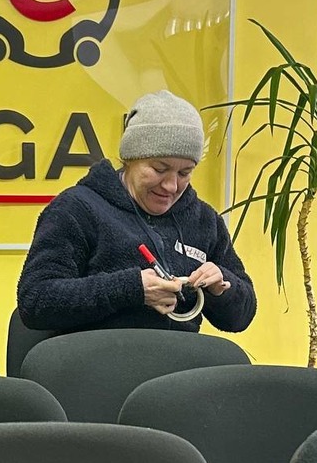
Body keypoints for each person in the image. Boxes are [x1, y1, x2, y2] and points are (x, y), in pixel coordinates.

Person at [16, 89, 256, 337]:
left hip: (178, 360)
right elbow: (36, 300)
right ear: (130, 158)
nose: (171, 186)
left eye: (184, 173)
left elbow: (242, 317)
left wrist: (222, 287)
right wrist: (132, 289)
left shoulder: (205, 221)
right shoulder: (76, 209)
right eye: (159, 169)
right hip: (96, 358)